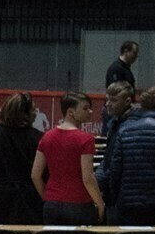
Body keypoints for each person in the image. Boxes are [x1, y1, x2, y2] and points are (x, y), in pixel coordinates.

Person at [99, 87, 155, 226]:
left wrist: (115, 197)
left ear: (141, 105)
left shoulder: (124, 131)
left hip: (129, 203)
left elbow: (115, 170)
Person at [0, 91, 47, 223]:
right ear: (25, 114)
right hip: (29, 202)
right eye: (33, 109)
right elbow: (44, 174)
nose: (36, 112)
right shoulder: (39, 138)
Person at [32, 92, 102, 224]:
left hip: (52, 204)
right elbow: (88, 178)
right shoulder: (86, 139)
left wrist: (47, 197)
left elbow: (35, 175)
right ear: (70, 112)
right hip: (80, 204)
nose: (90, 111)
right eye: (85, 108)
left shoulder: (47, 136)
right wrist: (100, 203)